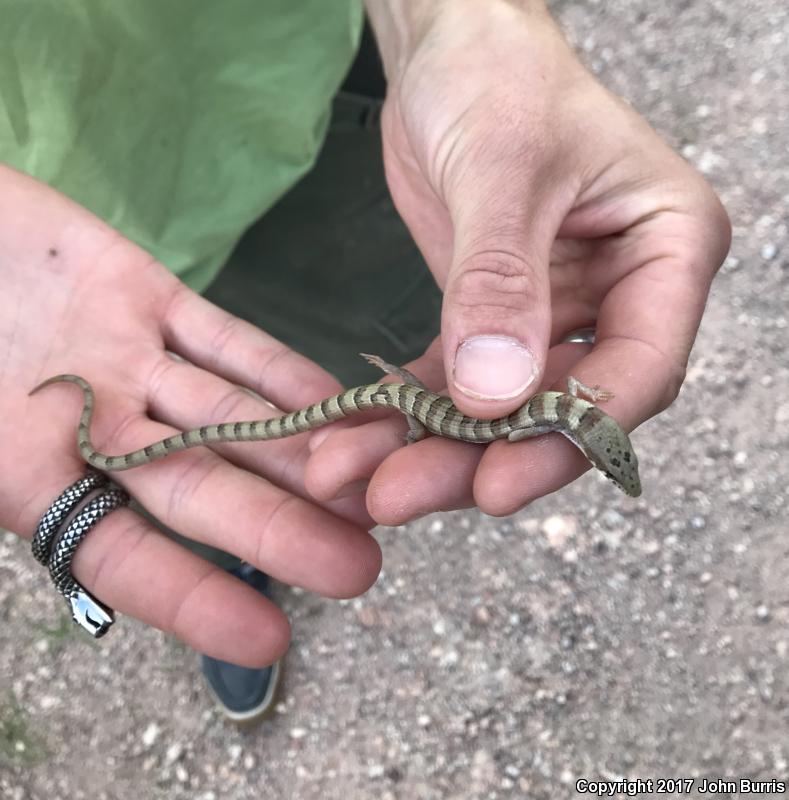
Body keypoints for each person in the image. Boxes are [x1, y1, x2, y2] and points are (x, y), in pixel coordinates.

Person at [0, 0, 729, 725]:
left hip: (293, 93)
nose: (608, 461)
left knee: (344, 375)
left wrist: (454, 21)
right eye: (611, 460)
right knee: (246, 444)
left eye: (610, 461)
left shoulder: (571, 411)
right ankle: (232, 554)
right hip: (66, 206)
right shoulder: (568, 411)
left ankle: (248, 530)